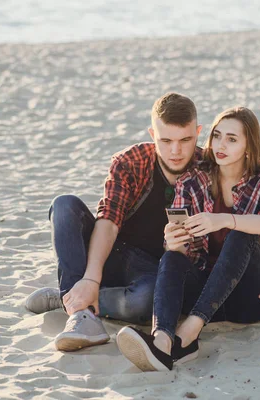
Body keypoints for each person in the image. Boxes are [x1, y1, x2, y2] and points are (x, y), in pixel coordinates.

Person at [25, 92, 203, 351]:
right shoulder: (131, 161)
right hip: (110, 251)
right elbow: (108, 221)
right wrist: (91, 279)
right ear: (153, 135)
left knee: (145, 301)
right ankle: (80, 314)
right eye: (166, 140)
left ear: (197, 133)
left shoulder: (208, 169)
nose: (175, 151)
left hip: (152, 271)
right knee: (64, 205)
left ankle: (66, 298)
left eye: (185, 140)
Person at [115, 106, 260, 371]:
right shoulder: (191, 180)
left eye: (232, 139)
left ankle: (187, 335)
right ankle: (161, 342)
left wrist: (223, 220)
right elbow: (182, 253)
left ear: (249, 144)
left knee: (241, 234)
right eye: (217, 136)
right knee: (171, 256)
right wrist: (172, 242)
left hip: (249, 299)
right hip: (205, 294)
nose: (221, 145)